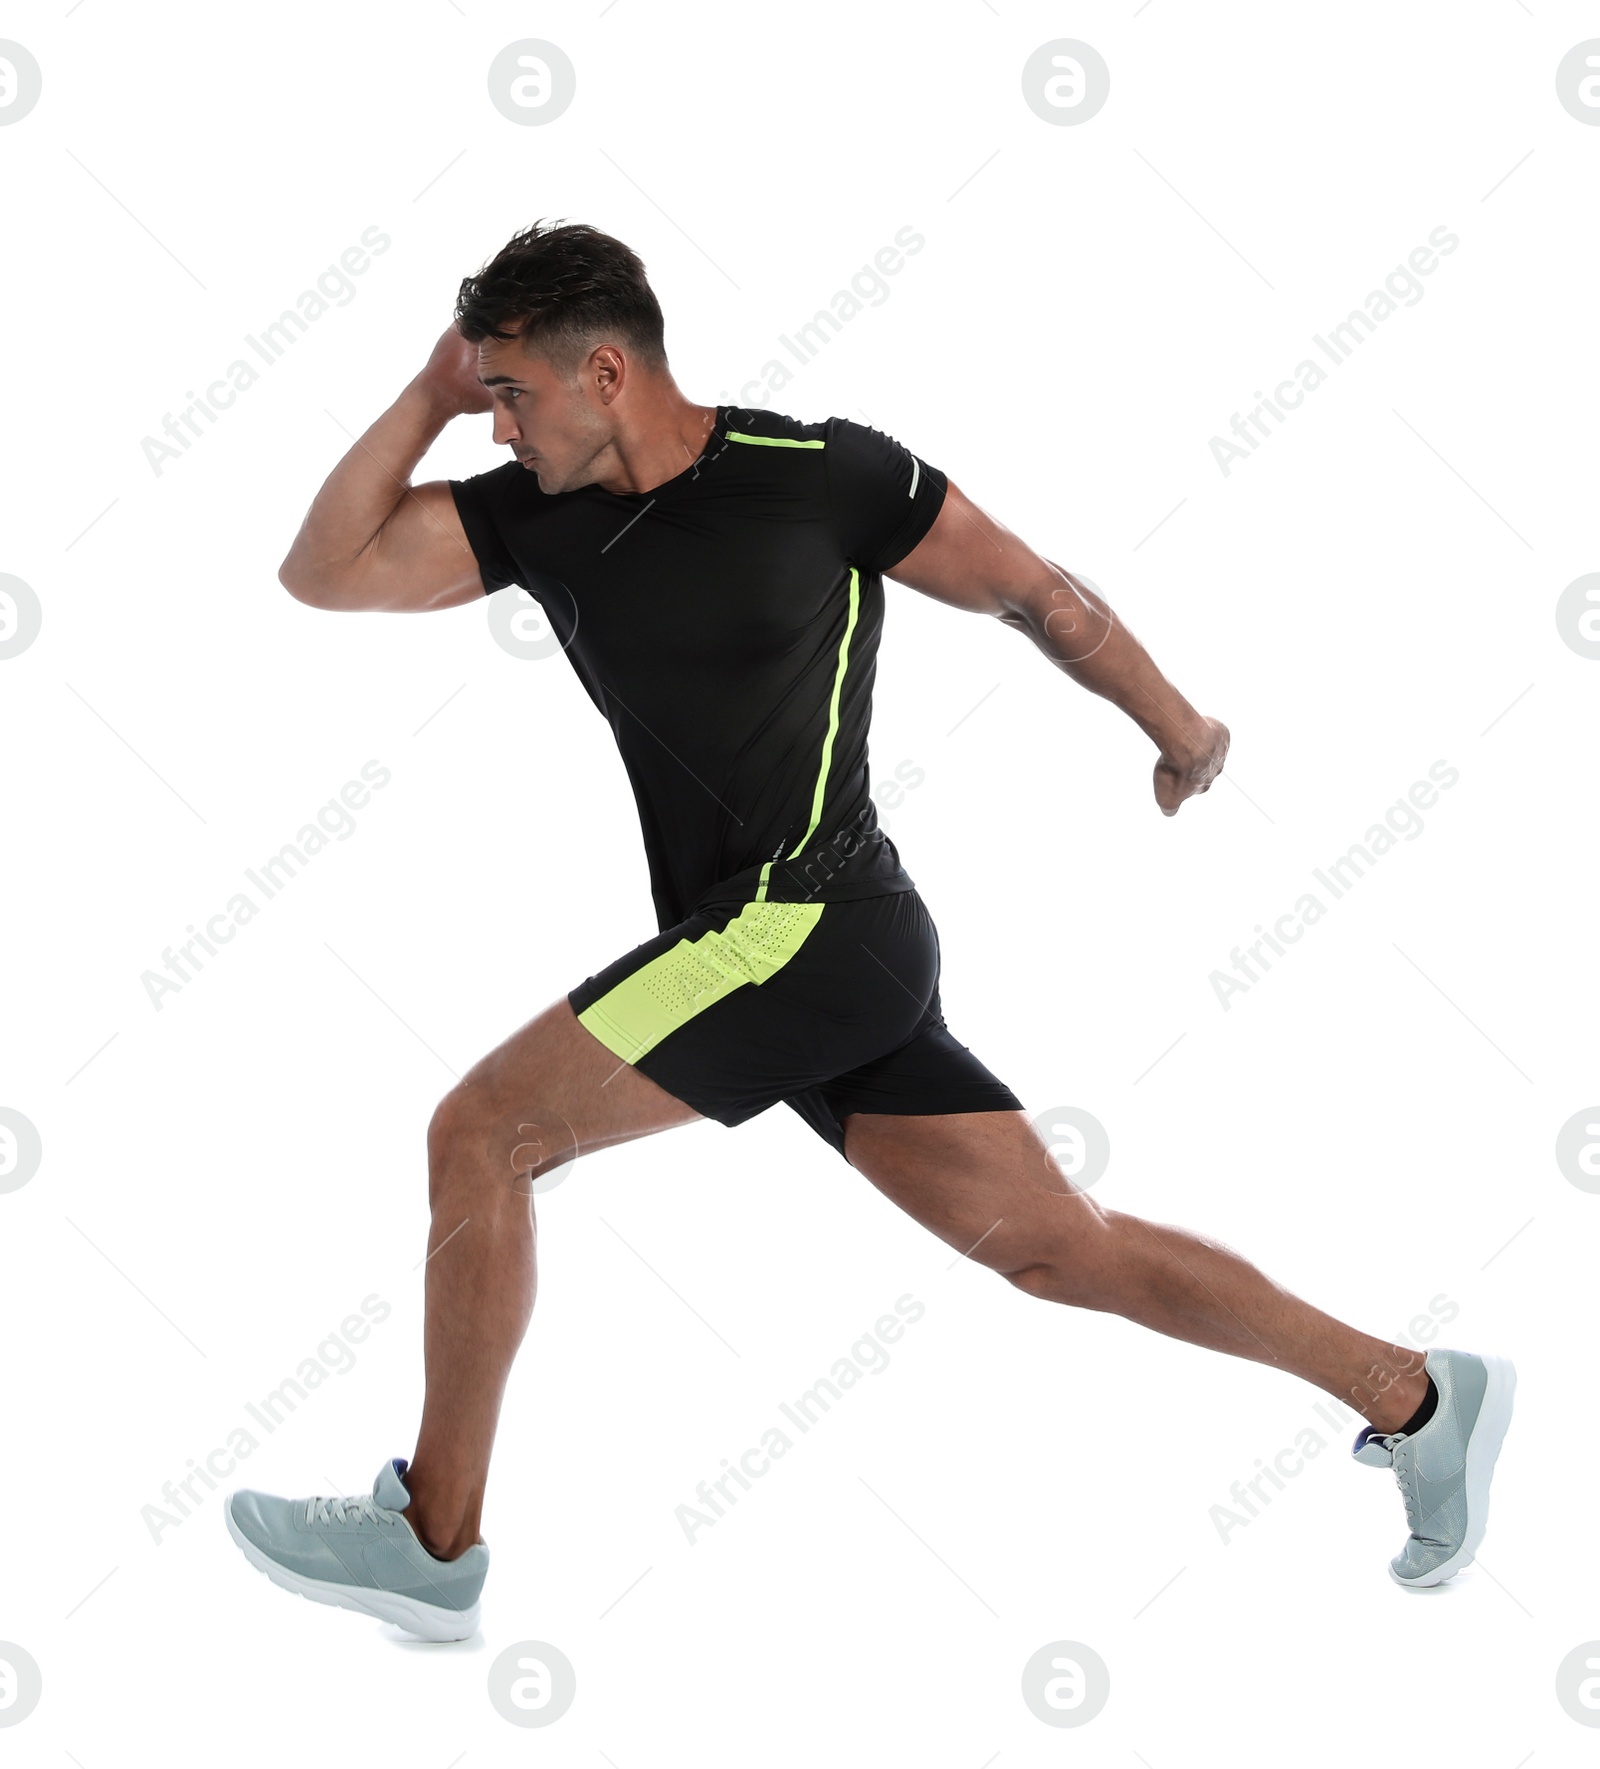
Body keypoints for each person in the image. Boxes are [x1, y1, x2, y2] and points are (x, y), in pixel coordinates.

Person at [223, 219, 1514, 1641]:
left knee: (481, 1134)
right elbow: (323, 569)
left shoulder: (821, 476)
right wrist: (426, 393)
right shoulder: (539, 515)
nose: (498, 422)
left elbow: (1035, 591)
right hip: (811, 948)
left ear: (604, 371)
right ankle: (1421, 1394)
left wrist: (1180, 729)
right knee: (1059, 1246)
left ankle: (433, 1539)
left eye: (511, 391)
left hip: (809, 921)